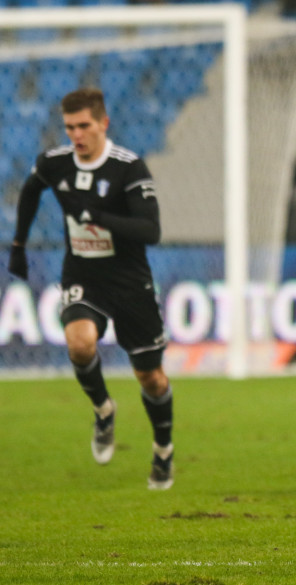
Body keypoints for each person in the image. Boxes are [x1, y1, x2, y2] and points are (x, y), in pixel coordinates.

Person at [7, 88, 175, 490]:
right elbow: (30, 191)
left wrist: (99, 217)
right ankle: (103, 410)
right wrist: (18, 245)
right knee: (79, 344)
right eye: (69, 127)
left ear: (103, 123)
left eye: (83, 126)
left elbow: (150, 230)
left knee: (151, 378)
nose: (76, 135)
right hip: (83, 275)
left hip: (130, 281)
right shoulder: (55, 163)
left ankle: (163, 450)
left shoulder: (128, 168)